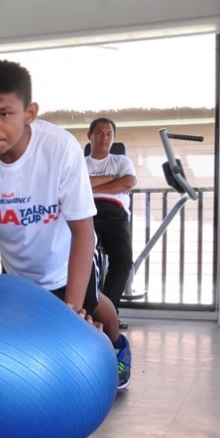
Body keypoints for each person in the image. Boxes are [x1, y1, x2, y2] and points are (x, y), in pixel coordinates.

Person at [0, 60, 131, 390]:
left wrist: (71, 311)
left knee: (94, 306)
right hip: (17, 270)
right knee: (23, 331)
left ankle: (118, 349)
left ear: (30, 113)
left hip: (66, 261)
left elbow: (83, 229)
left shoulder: (60, 149)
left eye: (4, 113)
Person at [85, 117, 137, 328]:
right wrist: (112, 181)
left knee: (123, 260)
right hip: (87, 213)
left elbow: (129, 181)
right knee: (82, 259)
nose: (104, 137)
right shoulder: (80, 163)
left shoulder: (121, 161)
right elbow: (79, 184)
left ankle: (108, 314)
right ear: (90, 136)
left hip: (115, 213)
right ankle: (88, 311)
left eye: (108, 134)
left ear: (114, 138)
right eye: (99, 133)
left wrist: (91, 187)